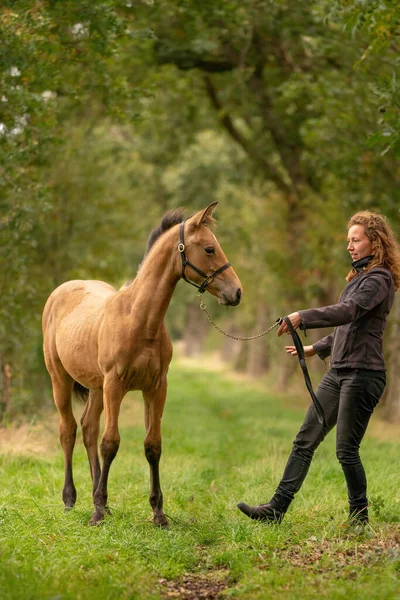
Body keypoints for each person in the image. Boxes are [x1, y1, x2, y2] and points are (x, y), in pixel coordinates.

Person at [238, 211, 400, 526]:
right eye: (348, 241)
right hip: (338, 371)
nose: (350, 247)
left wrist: (303, 317)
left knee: (346, 450)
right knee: (305, 439)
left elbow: (348, 312)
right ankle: (276, 509)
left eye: (356, 240)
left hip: (363, 374)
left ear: (374, 242)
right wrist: (318, 348)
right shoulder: (359, 278)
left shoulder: (380, 279)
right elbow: (348, 327)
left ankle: (359, 518)